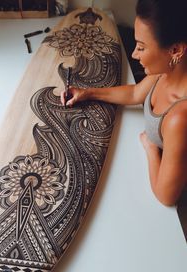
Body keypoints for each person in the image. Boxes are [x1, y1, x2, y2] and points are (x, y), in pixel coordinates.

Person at [61, 0, 187, 209]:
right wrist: (87, 93)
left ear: (175, 50)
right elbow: (135, 93)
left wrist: (151, 149)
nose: (134, 54)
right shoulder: (167, 71)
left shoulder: (179, 118)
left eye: (141, 47)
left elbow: (166, 196)